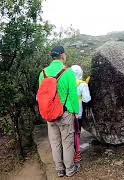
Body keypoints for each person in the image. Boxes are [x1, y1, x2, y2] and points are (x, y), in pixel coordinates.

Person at [38, 46, 80, 177]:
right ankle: (70, 170)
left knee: (55, 142)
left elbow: (42, 95)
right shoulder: (68, 72)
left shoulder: (43, 73)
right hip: (65, 113)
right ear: (63, 56)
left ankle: (59, 170)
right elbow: (73, 94)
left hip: (50, 115)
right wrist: (76, 112)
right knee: (67, 143)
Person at [71, 65, 91, 162]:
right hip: (78, 112)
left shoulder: (67, 82)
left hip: (66, 111)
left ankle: (67, 153)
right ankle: (77, 154)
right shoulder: (82, 84)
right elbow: (86, 99)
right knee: (77, 132)